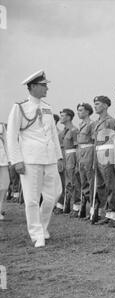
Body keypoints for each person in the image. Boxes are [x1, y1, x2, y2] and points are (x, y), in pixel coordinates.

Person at [7, 70, 63, 248]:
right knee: (31, 199)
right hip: (30, 159)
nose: (46, 88)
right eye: (43, 85)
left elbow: (53, 134)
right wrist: (16, 160)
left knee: (54, 194)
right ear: (32, 87)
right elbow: (11, 135)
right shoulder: (20, 107)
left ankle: (43, 226)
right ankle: (37, 233)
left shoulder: (47, 107)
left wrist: (59, 156)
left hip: (50, 158)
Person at [92, 96, 115, 226]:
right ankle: (107, 213)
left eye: (98, 104)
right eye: (95, 104)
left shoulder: (110, 121)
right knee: (101, 185)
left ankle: (114, 214)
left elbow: (114, 141)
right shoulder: (97, 122)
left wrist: (114, 159)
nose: (95, 106)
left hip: (108, 154)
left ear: (105, 105)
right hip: (98, 153)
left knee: (110, 184)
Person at [59, 108, 81, 216]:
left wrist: (77, 162)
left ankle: (77, 207)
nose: (61, 118)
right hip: (65, 156)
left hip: (72, 156)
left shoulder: (74, 130)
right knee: (67, 182)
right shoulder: (64, 131)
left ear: (68, 117)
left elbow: (77, 147)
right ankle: (67, 204)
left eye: (63, 115)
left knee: (74, 182)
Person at [77, 103, 95, 219]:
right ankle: (87, 206)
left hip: (89, 151)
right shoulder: (81, 124)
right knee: (83, 181)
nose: (79, 112)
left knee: (91, 181)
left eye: (81, 110)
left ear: (87, 111)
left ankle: (94, 209)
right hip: (81, 153)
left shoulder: (92, 124)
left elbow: (94, 141)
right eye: (78, 110)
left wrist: (94, 159)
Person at [0, 122, 9, 220]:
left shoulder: (1, 126)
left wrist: (10, 158)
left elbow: (6, 142)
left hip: (2, 159)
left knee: (4, 185)